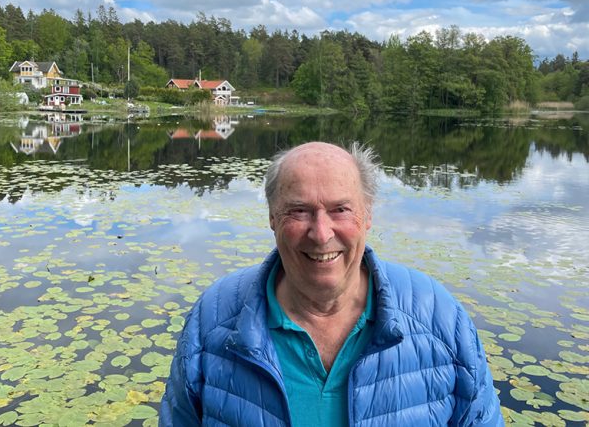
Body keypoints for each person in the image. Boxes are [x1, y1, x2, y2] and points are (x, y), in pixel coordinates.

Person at [160, 141, 503, 426]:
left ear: (367, 215)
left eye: (340, 209)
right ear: (271, 218)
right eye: (298, 211)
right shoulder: (213, 318)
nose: (321, 233)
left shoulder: (441, 318)